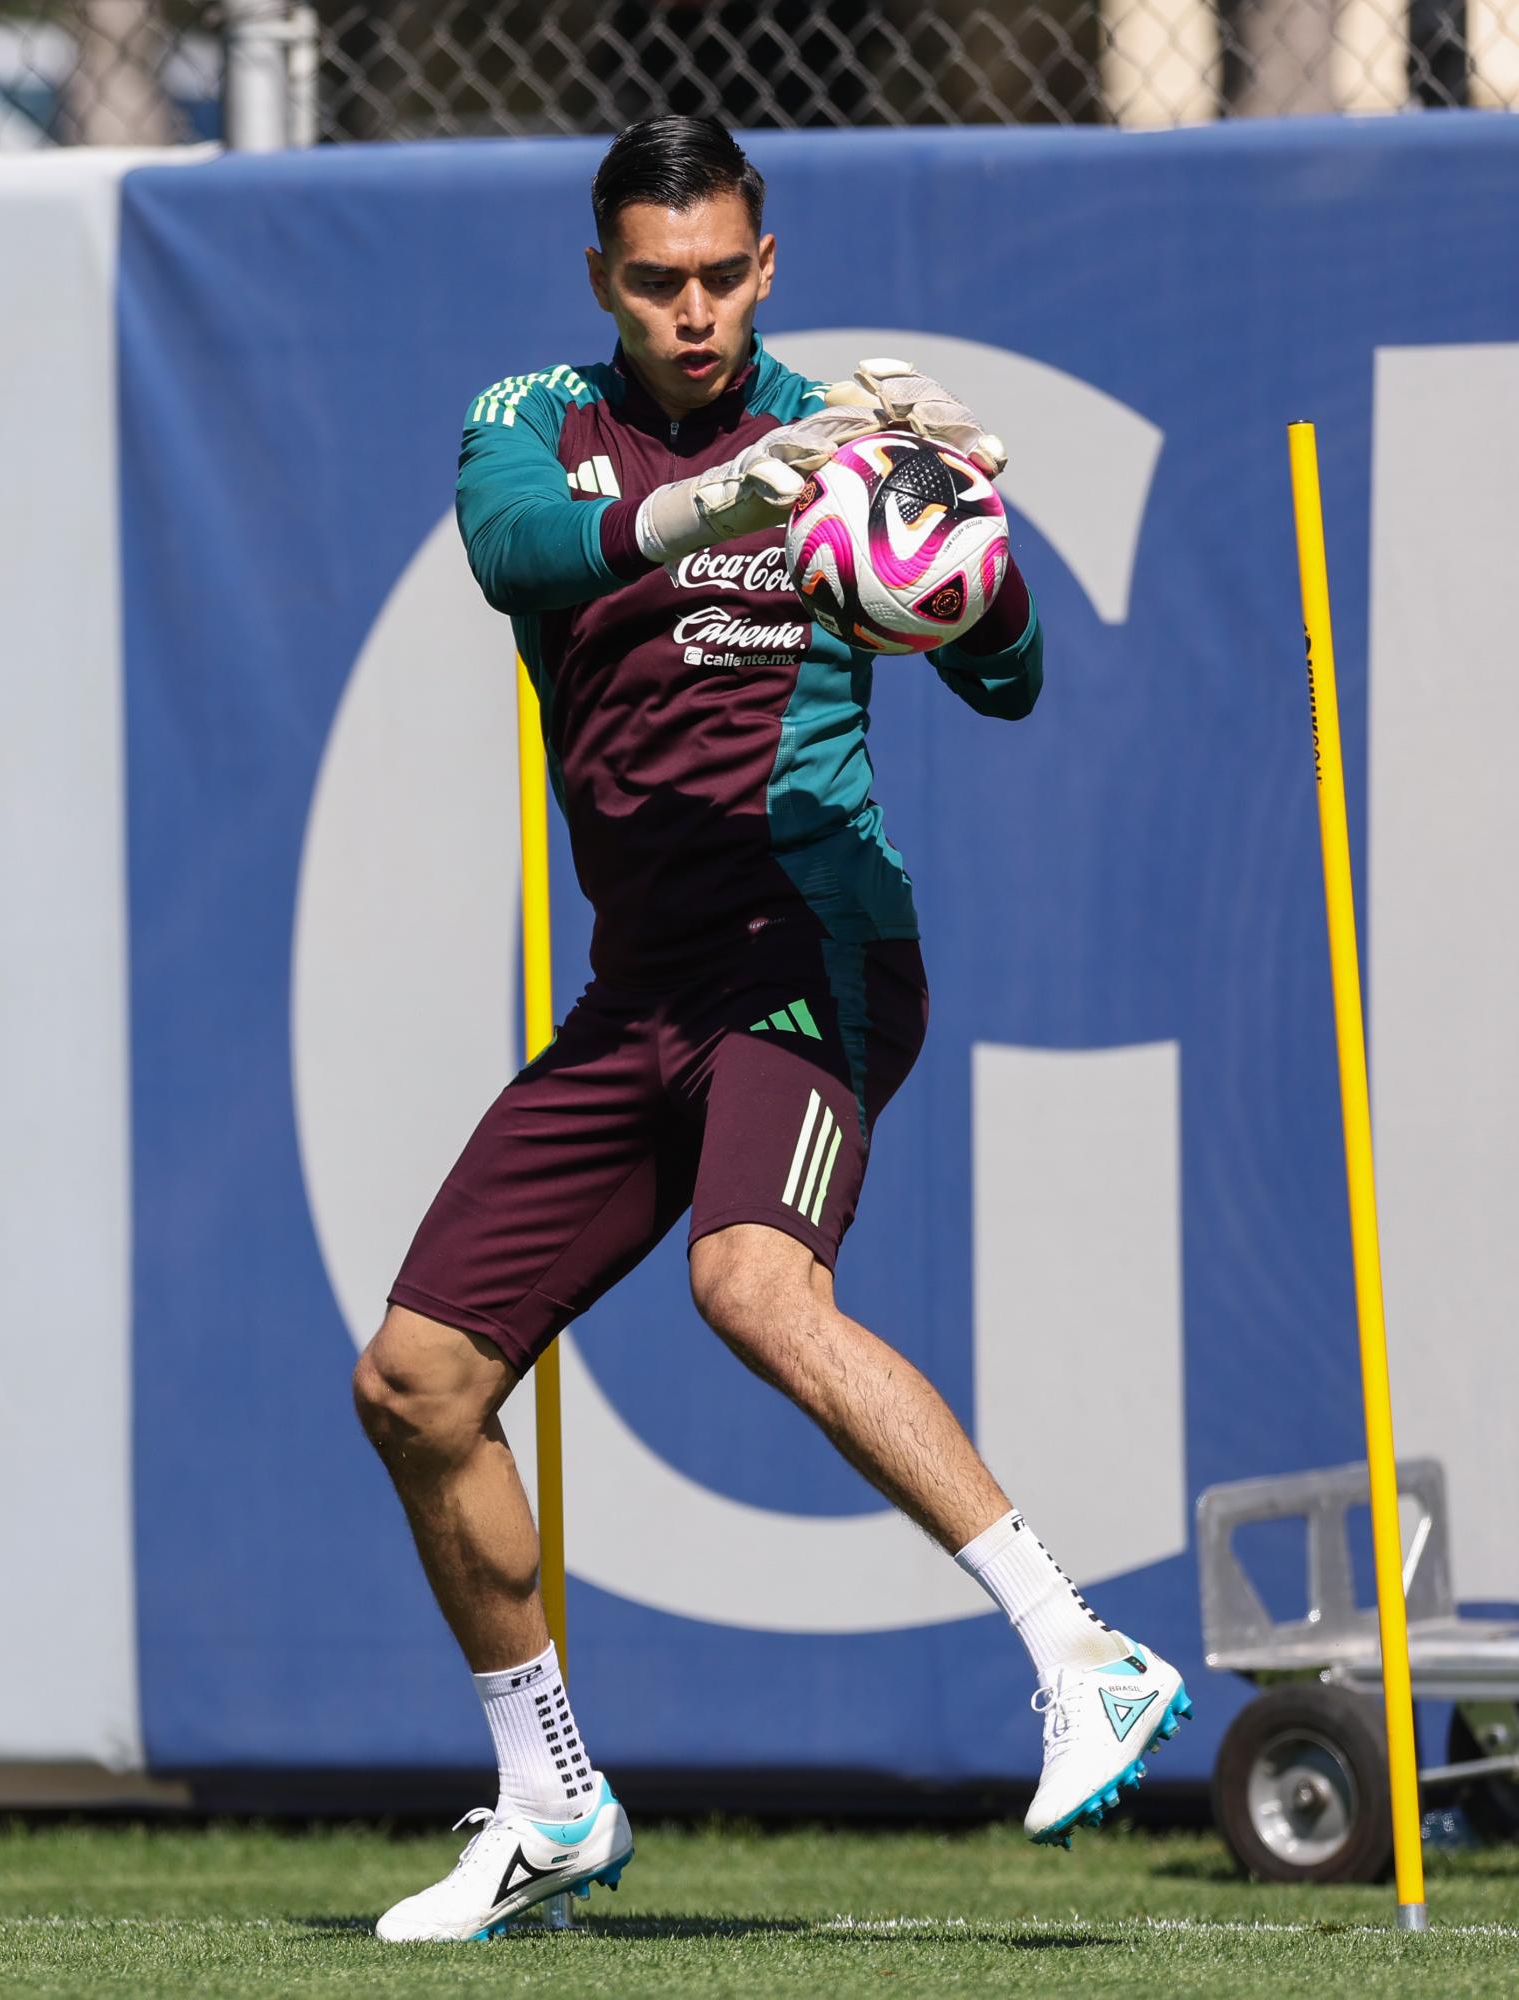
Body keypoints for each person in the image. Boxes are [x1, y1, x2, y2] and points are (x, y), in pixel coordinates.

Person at [353, 113, 1190, 1946]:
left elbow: (1012, 675)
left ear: (768, 264)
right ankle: (552, 1797)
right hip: (642, 983)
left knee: (750, 1284)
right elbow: (514, 549)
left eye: (725, 273)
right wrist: (711, 508)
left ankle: (1082, 1650)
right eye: (657, 281)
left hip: (811, 948)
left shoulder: (846, 443)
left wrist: (968, 543)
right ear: (604, 284)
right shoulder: (536, 417)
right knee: (414, 1384)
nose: (696, 310)